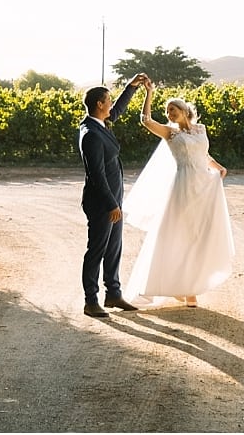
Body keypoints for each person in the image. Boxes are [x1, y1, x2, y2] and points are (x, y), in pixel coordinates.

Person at [121, 84, 235, 307]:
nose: (169, 114)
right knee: (182, 234)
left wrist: (218, 166)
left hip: (203, 183)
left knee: (200, 235)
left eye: (173, 110)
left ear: (184, 111)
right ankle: (185, 289)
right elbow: (146, 120)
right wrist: (149, 94)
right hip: (183, 185)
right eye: (167, 112)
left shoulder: (200, 129)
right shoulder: (170, 133)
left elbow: (203, 154)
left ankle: (190, 285)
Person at [78, 73, 152, 318]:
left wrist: (131, 87)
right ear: (99, 104)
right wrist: (111, 204)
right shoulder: (90, 134)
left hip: (114, 199)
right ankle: (91, 300)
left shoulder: (100, 124)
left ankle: (114, 294)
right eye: (108, 100)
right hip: (102, 202)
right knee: (97, 250)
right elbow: (96, 175)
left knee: (113, 248)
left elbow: (118, 110)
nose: (111, 104)